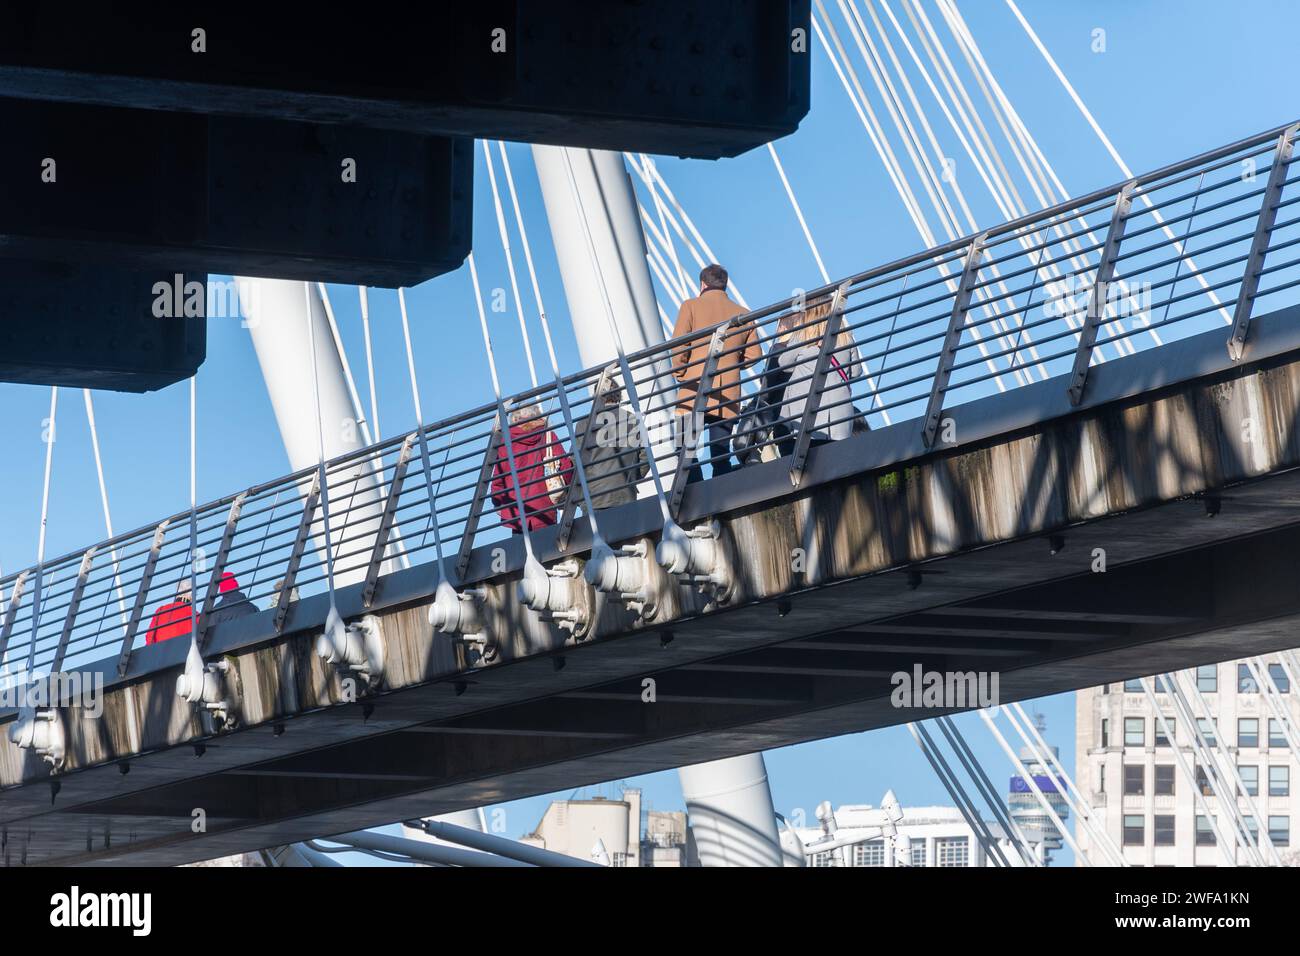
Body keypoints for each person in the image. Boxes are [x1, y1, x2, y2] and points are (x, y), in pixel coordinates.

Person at [671, 263, 763, 482]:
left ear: (702, 284)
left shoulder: (690, 306)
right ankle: (722, 491)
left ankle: (696, 491)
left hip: (694, 389)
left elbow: (678, 348)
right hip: (728, 393)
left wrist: (682, 373)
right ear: (725, 285)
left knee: (684, 449)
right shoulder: (743, 314)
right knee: (720, 454)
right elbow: (754, 355)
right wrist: (732, 365)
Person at [776, 295, 864, 446]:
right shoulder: (845, 337)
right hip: (839, 417)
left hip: (807, 416)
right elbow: (856, 371)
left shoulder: (802, 337)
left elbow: (784, 363)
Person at [573, 366, 650, 510]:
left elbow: (575, 460)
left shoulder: (584, 424)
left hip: (593, 496)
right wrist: (632, 477)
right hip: (625, 492)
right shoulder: (632, 419)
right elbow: (646, 457)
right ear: (619, 395)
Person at [491, 401, 573, 533]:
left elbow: (498, 479)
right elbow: (566, 467)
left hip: (517, 512)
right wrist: (567, 492)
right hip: (545, 508)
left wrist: (498, 504)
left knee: (521, 550)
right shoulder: (547, 435)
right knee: (548, 550)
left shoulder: (506, 443)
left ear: (514, 419)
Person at [145, 578, 193, 645]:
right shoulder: (194, 614)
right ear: (191, 597)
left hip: (160, 652)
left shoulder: (161, 610)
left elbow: (150, 637)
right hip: (185, 651)